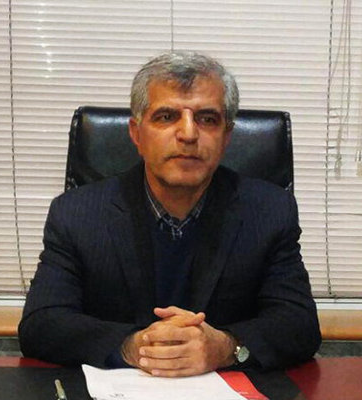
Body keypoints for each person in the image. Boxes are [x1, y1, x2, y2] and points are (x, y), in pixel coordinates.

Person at [18, 51, 321, 377]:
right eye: (166, 117)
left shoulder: (269, 211)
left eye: (207, 119)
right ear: (136, 134)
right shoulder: (77, 214)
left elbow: (299, 324)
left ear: (227, 137)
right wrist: (134, 346)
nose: (188, 134)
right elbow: (41, 323)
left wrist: (225, 347)